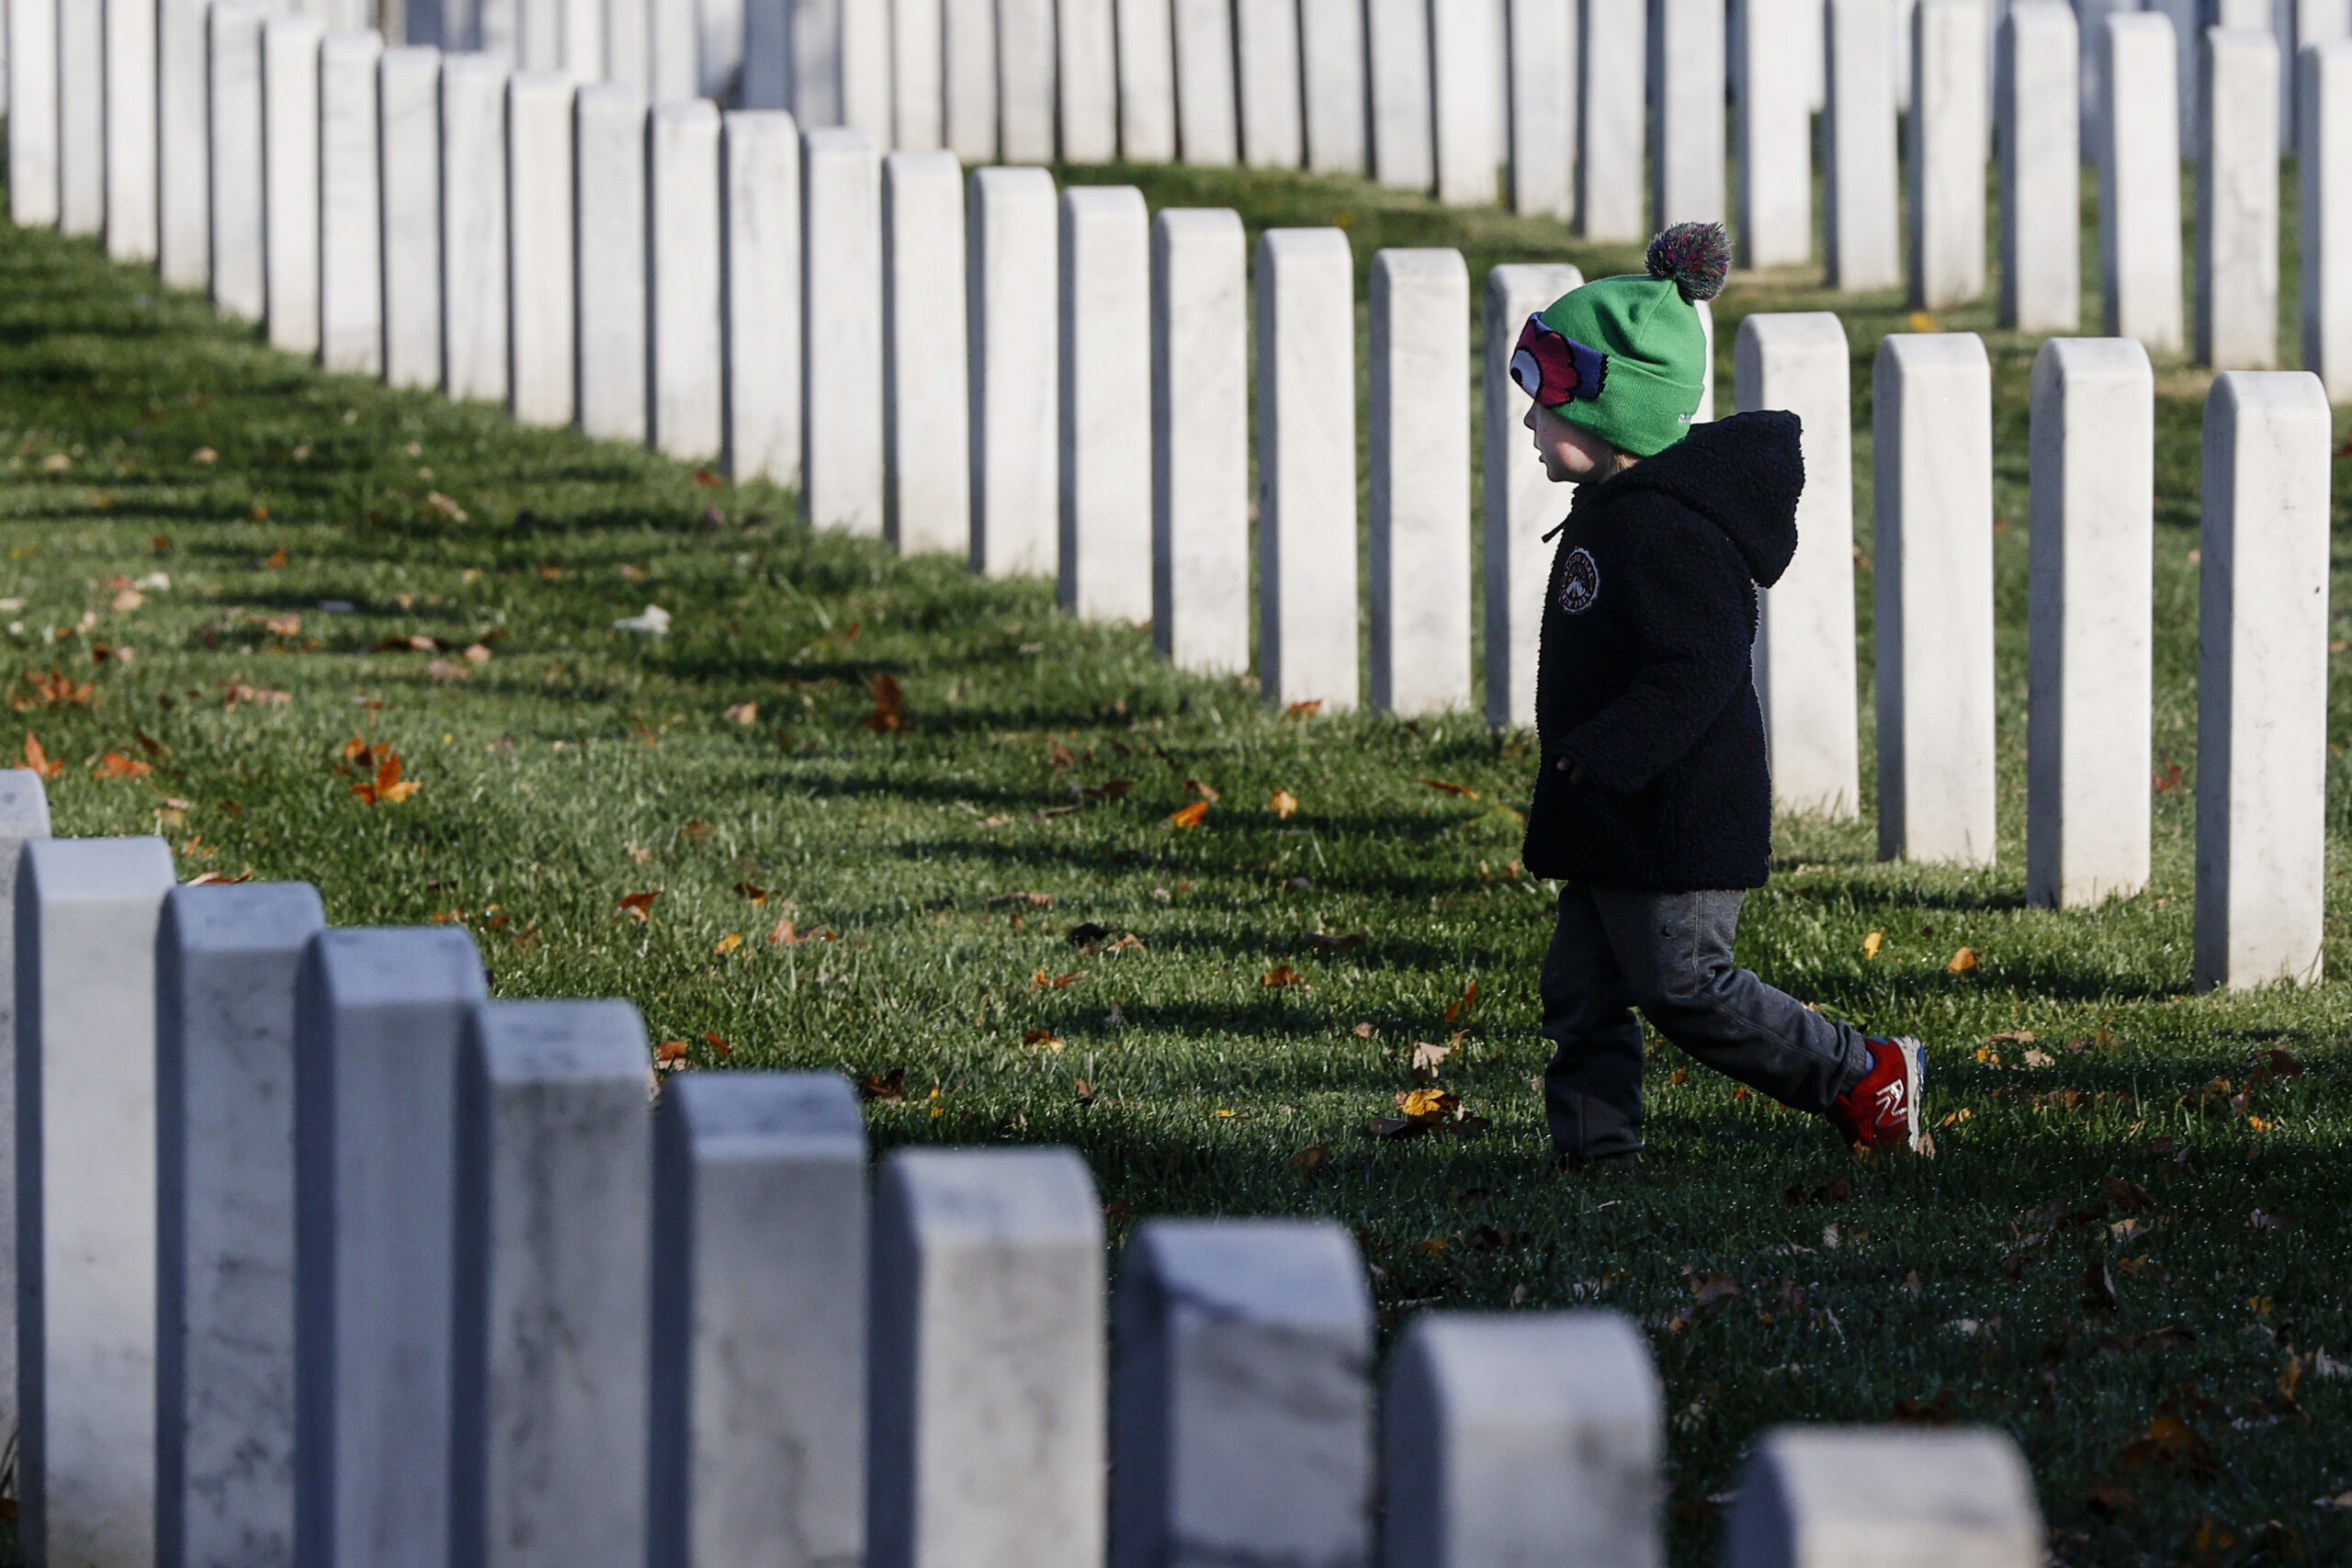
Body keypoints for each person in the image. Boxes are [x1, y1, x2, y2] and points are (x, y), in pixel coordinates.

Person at [1511, 220, 1925, 1170]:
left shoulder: (1664, 532)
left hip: (1673, 814)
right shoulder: (1614, 511)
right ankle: (1593, 1156)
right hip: (1610, 809)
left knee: (1687, 984)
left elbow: (1698, 667)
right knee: (1582, 990)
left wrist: (1608, 749)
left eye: (1544, 404)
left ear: (1611, 412)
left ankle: (1862, 1075)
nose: (1530, 424)